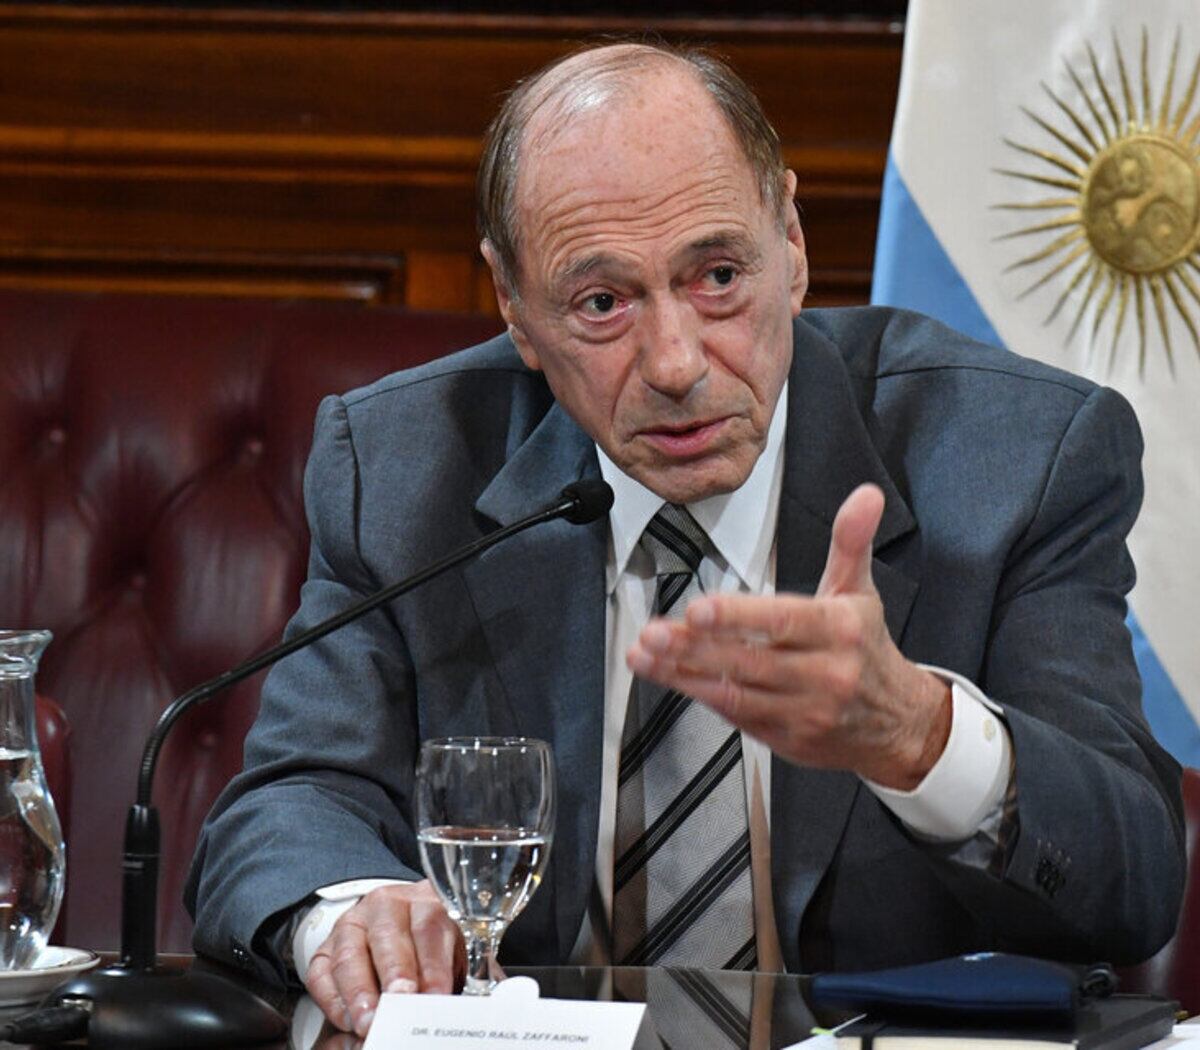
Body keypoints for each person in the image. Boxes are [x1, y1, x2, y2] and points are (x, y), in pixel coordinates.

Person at [185, 41, 1185, 1038]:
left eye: (718, 276)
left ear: (791, 242)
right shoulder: (405, 467)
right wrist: (352, 912)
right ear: (515, 308)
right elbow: (286, 805)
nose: (674, 363)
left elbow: (1135, 880)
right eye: (602, 303)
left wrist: (922, 737)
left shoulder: (1017, 457)